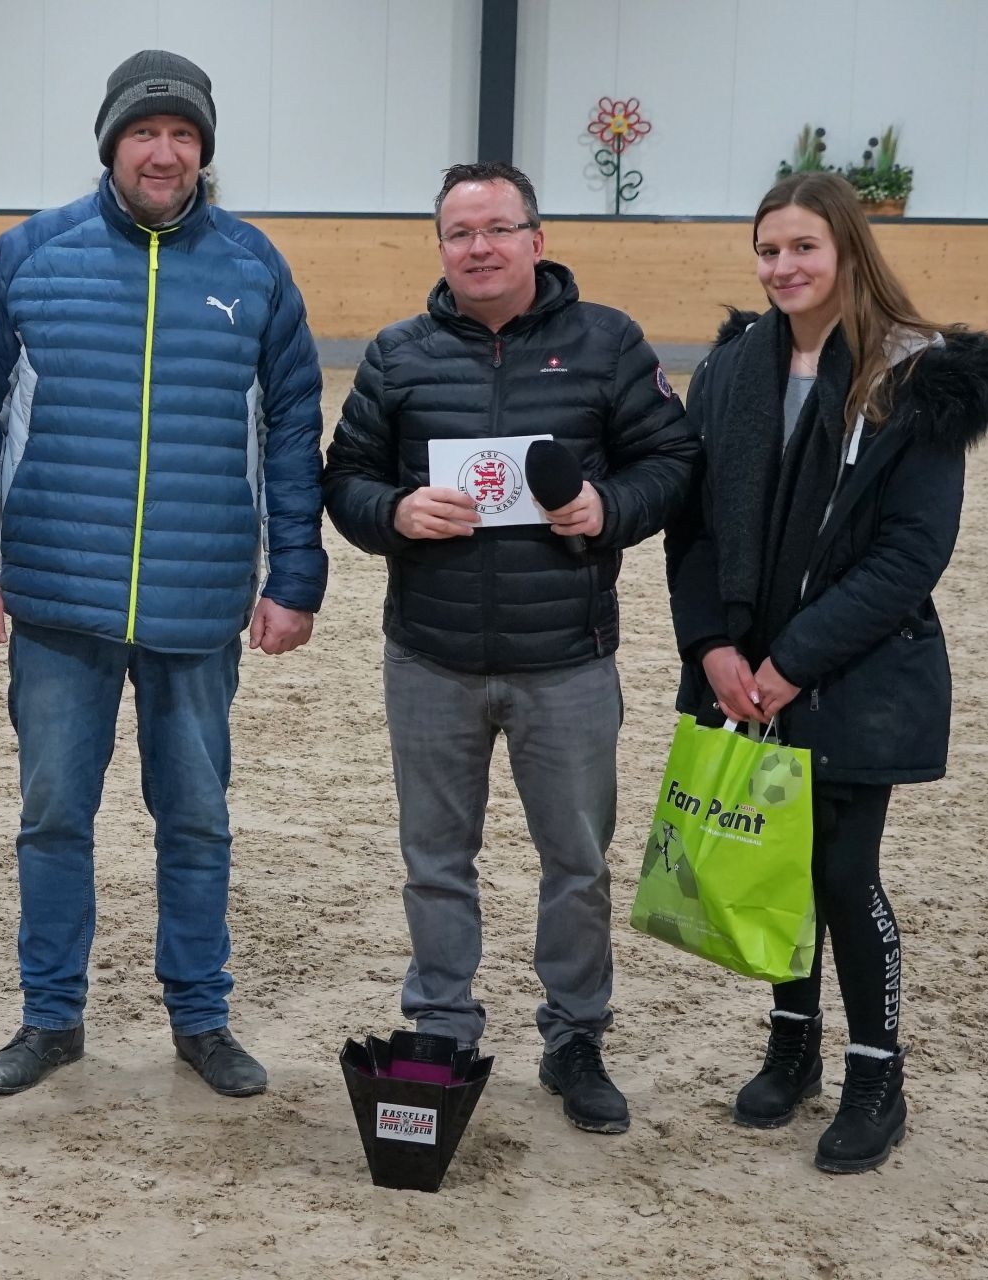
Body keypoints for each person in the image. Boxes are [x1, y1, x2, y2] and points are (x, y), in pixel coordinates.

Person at [0, 50, 327, 1099]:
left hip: (199, 602)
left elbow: (293, 431)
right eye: (145, 132)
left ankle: (201, 1017)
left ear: (204, 150)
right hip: (56, 598)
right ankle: (50, 1016)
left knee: (196, 820)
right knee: (53, 819)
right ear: (111, 143)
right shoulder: (29, 256)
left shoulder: (254, 268)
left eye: (183, 135)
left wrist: (295, 573)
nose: (164, 152)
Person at [322, 161, 695, 1135]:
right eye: (460, 232)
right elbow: (345, 479)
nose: (478, 247)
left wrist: (607, 507)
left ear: (537, 237)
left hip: (567, 657)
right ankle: (442, 1026)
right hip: (430, 656)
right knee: (435, 860)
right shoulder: (398, 354)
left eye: (497, 228)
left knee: (577, 861)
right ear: (440, 246)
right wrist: (395, 512)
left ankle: (575, 1037)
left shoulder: (608, 343)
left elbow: (673, 460)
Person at [666, 171, 988, 1172]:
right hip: (742, 665)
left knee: (842, 873)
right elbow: (693, 523)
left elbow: (909, 554)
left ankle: (875, 1074)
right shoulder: (730, 370)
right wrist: (715, 646)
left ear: (849, 249)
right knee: (778, 861)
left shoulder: (914, 377)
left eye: (803, 248)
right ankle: (793, 1045)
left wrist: (793, 661)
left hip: (852, 671)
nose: (783, 267)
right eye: (767, 250)